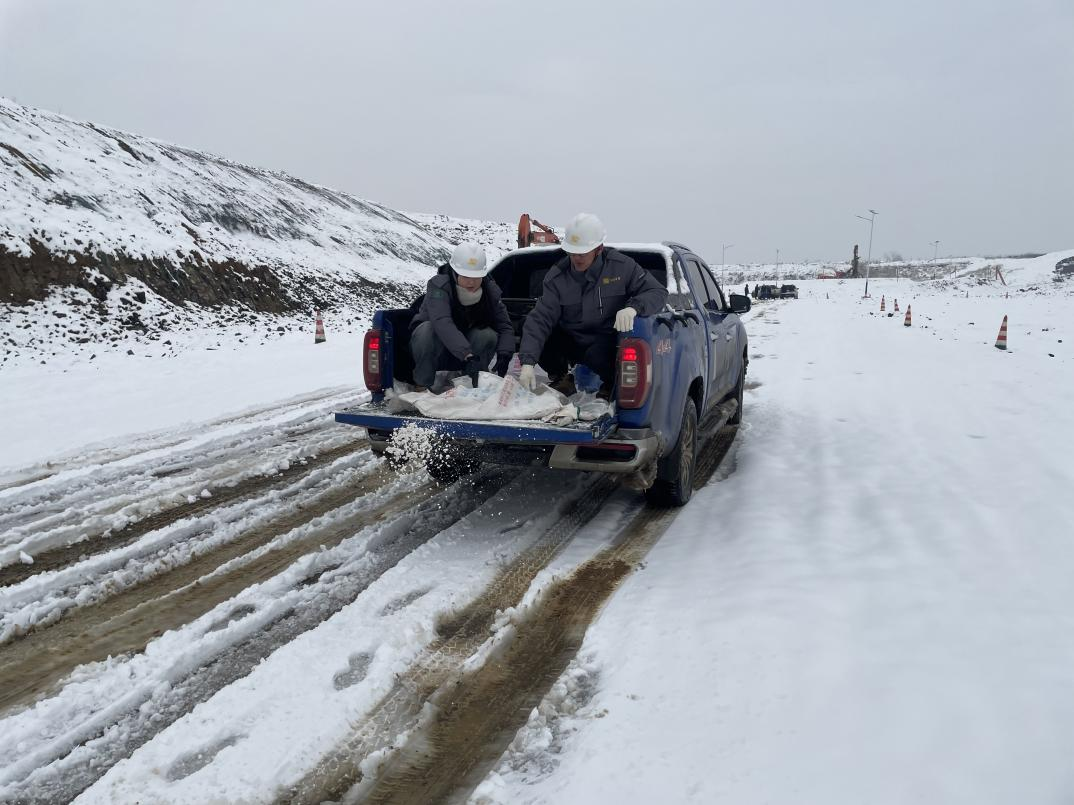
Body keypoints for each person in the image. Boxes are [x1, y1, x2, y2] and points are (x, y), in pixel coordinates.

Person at [518, 213, 668, 393]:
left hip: (606, 341)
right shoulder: (557, 277)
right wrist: (527, 362)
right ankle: (562, 378)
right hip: (573, 340)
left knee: (598, 353)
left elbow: (657, 292)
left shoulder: (622, 267)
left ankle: (611, 385)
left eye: (582, 253)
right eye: (572, 252)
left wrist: (633, 307)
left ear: (599, 249)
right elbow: (540, 318)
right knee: (532, 326)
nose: (576, 258)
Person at [410, 242, 515, 391]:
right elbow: (442, 322)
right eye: (466, 276)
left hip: (468, 351)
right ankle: (422, 384)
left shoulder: (490, 291)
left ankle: (470, 383)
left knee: (486, 335)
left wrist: (505, 353)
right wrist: (466, 353)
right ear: (455, 272)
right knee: (427, 330)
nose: (471, 282)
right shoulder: (439, 287)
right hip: (436, 350)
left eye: (476, 277)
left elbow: (504, 325)